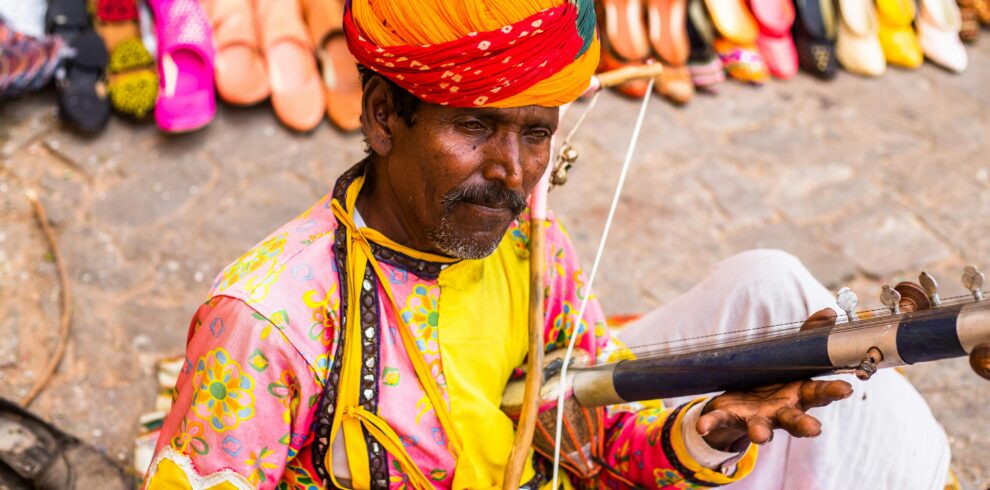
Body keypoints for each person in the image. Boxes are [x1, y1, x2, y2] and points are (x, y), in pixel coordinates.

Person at [143, 0, 947, 488]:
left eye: (535, 134)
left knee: (783, 299)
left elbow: (594, 438)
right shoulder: (266, 325)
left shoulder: (532, 248)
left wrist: (712, 427)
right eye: (473, 126)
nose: (512, 170)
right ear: (385, 115)